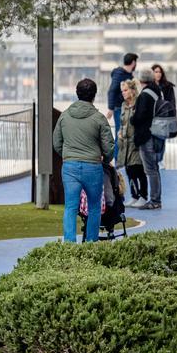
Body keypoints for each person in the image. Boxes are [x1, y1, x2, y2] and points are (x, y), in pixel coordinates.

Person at [52, 79, 114, 240]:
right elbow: (109, 146)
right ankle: (91, 243)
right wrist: (105, 160)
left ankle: (70, 244)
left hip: (70, 167)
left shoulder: (65, 116)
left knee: (70, 207)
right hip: (93, 167)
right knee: (94, 207)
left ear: (76, 93)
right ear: (94, 95)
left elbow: (56, 142)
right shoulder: (99, 118)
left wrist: (67, 155)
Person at [131, 68, 164, 210]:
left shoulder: (144, 95)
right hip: (157, 134)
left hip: (146, 136)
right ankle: (156, 198)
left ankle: (155, 200)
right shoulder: (158, 91)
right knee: (154, 168)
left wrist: (132, 117)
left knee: (150, 169)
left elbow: (139, 117)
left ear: (140, 80)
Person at [117, 78, 148, 207]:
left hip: (136, 142)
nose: (123, 93)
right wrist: (119, 132)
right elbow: (122, 122)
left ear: (132, 90)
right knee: (129, 170)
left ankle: (143, 196)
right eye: (122, 91)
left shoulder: (139, 103)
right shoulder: (124, 105)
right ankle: (134, 196)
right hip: (124, 143)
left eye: (125, 90)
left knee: (138, 169)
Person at [106, 52, 137, 159]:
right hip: (119, 108)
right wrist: (110, 108)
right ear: (133, 62)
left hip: (127, 107)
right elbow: (112, 91)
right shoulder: (119, 74)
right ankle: (117, 161)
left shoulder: (128, 75)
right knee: (120, 134)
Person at [150, 64, 175, 166]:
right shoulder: (149, 86)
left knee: (162, 139)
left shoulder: (167, 86)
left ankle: (160, 160)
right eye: (156, 72)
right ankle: (153, 160)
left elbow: (172, 102)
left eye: (160, 72)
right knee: (152, 140)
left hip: (164, 117)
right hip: (151, 118)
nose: (158, 74)